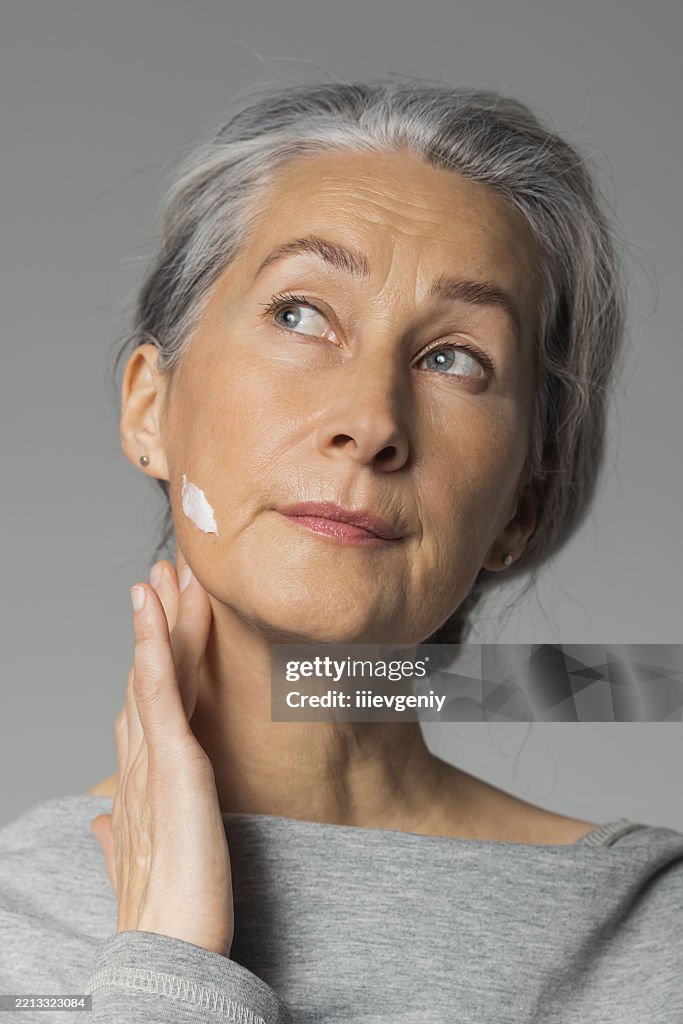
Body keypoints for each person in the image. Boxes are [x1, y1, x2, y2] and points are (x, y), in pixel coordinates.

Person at [2, 74, 682, 1023]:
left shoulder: (652, 942)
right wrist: (169, 961)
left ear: (520, 508)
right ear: (150, 406)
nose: (371, 422)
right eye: (300, 314)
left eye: (455, 359)